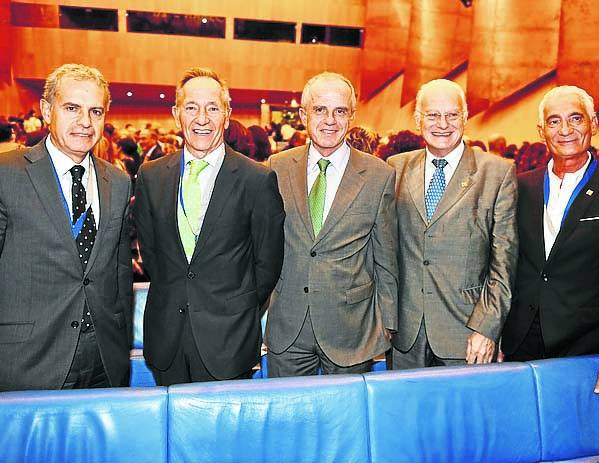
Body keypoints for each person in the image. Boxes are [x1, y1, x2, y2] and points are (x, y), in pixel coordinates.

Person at [501, 85, 599, 413]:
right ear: (542, 132)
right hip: (521, 345)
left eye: (575, 118)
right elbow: (507, 265)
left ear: (593, 124)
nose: (565, 130)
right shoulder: (519, 185)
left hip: (589, 351)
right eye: (554, 122)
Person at [134, 67, 285, 385]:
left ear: (227, 115)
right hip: (167, 342)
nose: (202, 118)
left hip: (230, 343)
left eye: (212, 108)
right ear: (177, 114)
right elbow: (152, 255)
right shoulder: (151, 176)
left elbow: (267, 265)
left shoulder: (256, 180)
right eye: (191, 107)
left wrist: (233, 309)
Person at [0, 64, 133, 391]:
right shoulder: (7, 174)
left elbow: (119, 271)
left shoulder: (117, 181)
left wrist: (120, 339)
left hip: (104, 360)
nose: (85, 122)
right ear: (47, 110)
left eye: (95, 111)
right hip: (27, 360)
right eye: (72, 108)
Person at [265, 72, 398, 377]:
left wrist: (387, 323)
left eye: (340, 111)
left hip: (351, 329)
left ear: (352, 117)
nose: (330, 120)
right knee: (289, 421)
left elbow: (386, 258)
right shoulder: (276, 168)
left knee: (346, 423)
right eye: (320, 110)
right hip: (289, 328)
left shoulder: (379, 175)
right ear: (303, 115)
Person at [387, 79, 517, 369]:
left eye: (452, 115)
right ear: (419, 120)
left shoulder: (497, 173)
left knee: (461, 416)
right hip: (404, 335)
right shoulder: (394, 168)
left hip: (467, 334)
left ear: (465, 117)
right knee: (405, 415)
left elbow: (504, 264)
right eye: (433, 115)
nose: (442, 124)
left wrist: (487, 327)